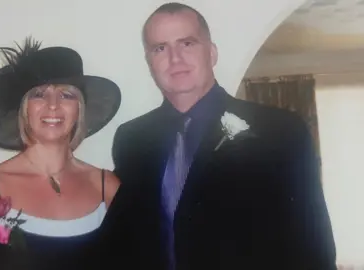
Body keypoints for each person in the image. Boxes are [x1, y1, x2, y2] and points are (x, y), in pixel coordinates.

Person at [112, 2, 337, 270]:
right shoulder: (131, 139)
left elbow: (313, 243)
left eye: (187, 44)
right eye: (160, 48)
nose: (175, 59)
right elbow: (129, 238)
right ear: (150, 62)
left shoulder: (280, 130)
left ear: (212, 53)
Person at [0, 37, 131, 270]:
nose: (53, 104)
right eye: (39, 94)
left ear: (80, 109)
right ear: (24, 109)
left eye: (67, 95)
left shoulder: (107, 187)